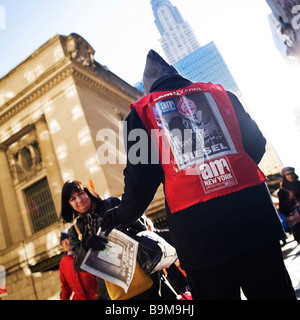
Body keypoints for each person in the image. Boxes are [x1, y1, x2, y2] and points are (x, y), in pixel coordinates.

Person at [100, 50, 296, 300]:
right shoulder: (222, 95)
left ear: (149, 88)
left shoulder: (141, 113)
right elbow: (256, 144)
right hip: (254, 221)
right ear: (179, 76)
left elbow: (140, 180)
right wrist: (227, 171)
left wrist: (119, 215)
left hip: (200, 237)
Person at [60, 180, 174, 300]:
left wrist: (119, 218)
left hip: (144, 270)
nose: (79, 200)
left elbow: (143, 226)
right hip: (115, 287)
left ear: (88, 192)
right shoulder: (75, 231)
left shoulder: (112, 203)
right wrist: (86, 245)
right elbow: (78, 266)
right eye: (72, 199)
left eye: (81, 193)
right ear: (69, 204)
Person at [59, 230, 97, 300]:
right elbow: (65, 287)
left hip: (97, 296)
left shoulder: (83, 252)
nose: (65, 243)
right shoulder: (63, 264)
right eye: (63, 242)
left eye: (67, 239)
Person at [278, 167, 300, 243]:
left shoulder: (298, 184)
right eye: (288, 174)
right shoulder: (282, 191)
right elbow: (283, 210)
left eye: (291, 173)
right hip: (297, 223)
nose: (290, 176)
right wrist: (290, 199)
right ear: (284, 176)